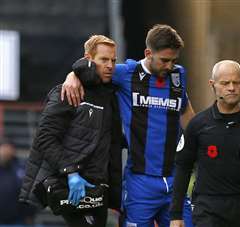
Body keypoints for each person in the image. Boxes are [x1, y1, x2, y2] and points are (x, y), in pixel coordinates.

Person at [61, 24, 195, 227]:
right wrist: (72, 76)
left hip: (175, 180)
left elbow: (186, 112)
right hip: (140, 183)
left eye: (174, 61)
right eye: (165, 60)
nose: (170, 66)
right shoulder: (125, 74)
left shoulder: (178, 76)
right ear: (148, 53)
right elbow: (90, 68)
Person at [19, 35, 123, 227]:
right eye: (104, 59)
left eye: (113, 60)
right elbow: (45, 138)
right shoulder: (68, 91)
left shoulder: (109, 95)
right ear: (88, 59)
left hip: (99, 189)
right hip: (73, 186)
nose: (110, 65)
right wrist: (71, 173)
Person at [169, 60, 240, 227]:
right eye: (225, 83)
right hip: (207, 207)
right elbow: (182, 167)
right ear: (212, 84)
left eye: (236, 82)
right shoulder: (198, 124)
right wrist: (176, 214)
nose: (231, 87)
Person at [0, 138, 36, 224]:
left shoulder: (21, 169)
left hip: (18, 220)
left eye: (8, 148)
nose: (5, 152)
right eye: (3, 148)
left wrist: (30, 214)